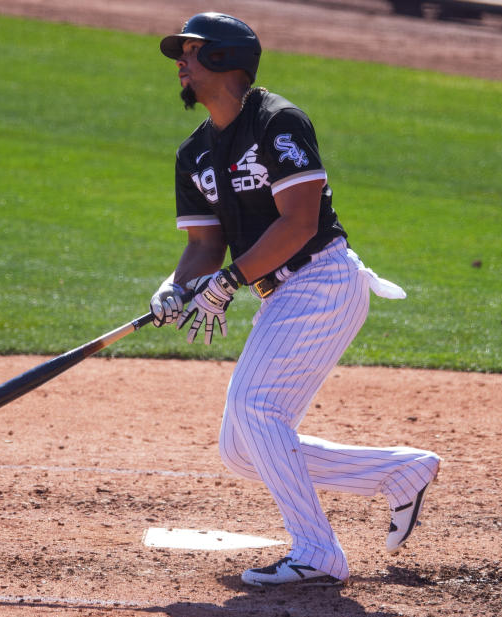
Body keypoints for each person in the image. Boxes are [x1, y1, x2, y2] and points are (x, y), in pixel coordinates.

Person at [149, 13, 442, 587]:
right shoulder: (195, 154)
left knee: (259, 411)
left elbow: (301, 222)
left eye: (190, 51)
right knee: (241, 449)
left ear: (223, 59)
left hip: (323, 280)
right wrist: (174, 286)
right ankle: (399, 472)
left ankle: (318, 551)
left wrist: (230, 283)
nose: (179, 64)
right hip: (283, 292)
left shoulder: (276, 122)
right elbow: (205, 244)